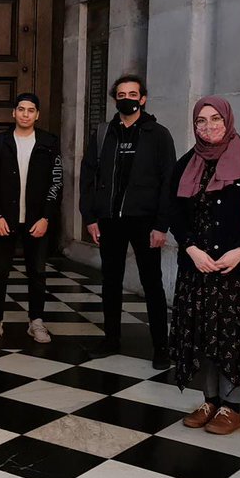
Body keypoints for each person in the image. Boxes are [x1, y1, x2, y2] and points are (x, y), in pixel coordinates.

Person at [168, 97, 240, 436]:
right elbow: (174, 212)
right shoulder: (187, 162)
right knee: (201, 334)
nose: (208, 126)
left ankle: (233, 406)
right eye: (201, 121)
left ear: (227, 120)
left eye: (215, 119)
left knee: (235, 336)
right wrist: (191, 249)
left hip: (237, 269)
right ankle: (210, 400)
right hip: (198, 268)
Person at [79, 74, 177, 368]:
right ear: (115, 99)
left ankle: (161, 345)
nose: (127, 98)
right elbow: (88, 176)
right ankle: (111, 339)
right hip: (109, 220)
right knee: (110, 281)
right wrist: (90, 216)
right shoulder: (103, 133)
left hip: (145, 221)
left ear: (143, 98)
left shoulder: (158, 134)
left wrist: (162, 225)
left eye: (132, 93)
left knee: (152, 283)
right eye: (121, 94)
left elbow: (169, 181)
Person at [0, 92, 63, 344]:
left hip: (37, 221)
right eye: (21, 109)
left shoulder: (49, 142)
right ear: (13, 113)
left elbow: (56, 183)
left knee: (37, 272)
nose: (25, 114)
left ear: (37, 115)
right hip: (5, 220)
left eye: (31, 110)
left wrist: (46, 218)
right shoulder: (0, 143)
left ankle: (36, 322)